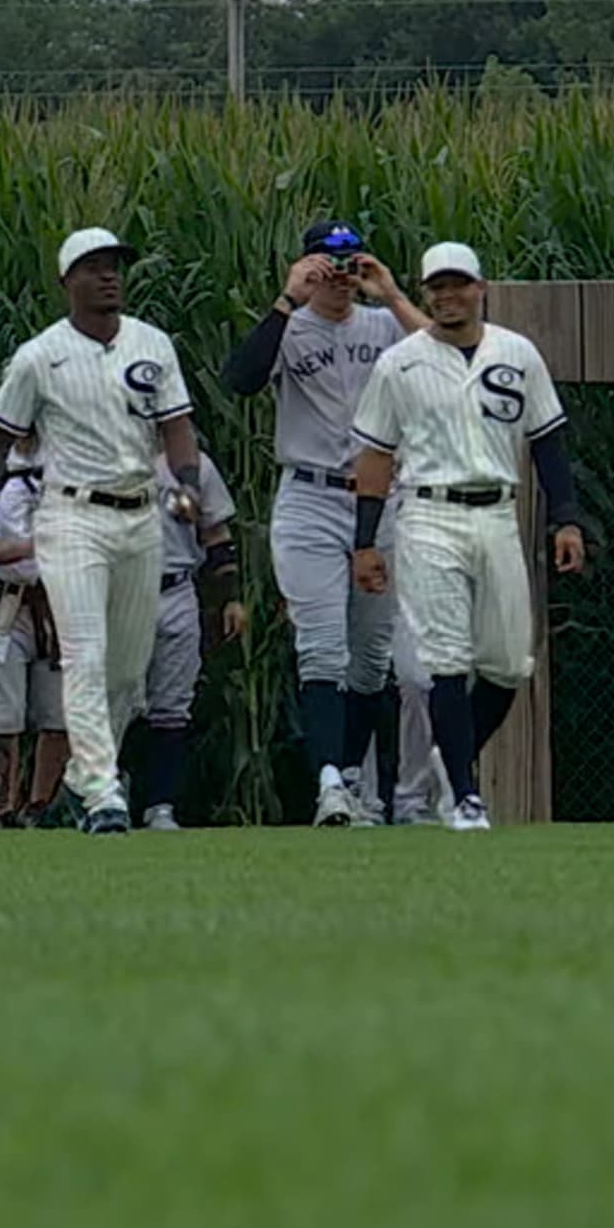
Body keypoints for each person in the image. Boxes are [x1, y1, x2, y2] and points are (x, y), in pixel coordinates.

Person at [0, 227, 206, 835]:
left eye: (114, 265)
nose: (108, 276)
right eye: (93, 267)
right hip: (71, 516)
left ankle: (75, 781)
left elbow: (176, 427)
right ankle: (103, 794)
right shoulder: (40, 356)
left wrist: (189, 483)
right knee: (85, 656)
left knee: (126, 673)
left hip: (141, 514)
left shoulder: (153, 343)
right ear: (67, 281)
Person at [348, 241, 586, 832]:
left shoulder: (516, 353)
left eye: (458, 284)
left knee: (508, 663)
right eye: (437, 287)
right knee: (445, 660)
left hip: (498, 512)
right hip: (429, 513)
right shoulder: (399, 363)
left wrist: (567, 518)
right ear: (426, 291)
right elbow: (374, 458)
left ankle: (448, 757)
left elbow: (547, 442)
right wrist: (365, 541)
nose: (448, 296)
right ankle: (465, 794)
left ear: (481, 288)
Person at [215, 219, 427, 826]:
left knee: (370, 657)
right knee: (323, 650)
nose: (338, 275)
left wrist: (388, 291)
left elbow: (451, 357)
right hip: (309, 496)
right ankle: (330, 783)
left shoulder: (384, 326)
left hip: (378, 501)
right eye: (325, 263)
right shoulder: (288, 328)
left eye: (347, 261)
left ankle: (358, 780)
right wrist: (288, 299)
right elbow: (240, 379)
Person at [135, 451, 247, 829]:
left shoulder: (194, 466)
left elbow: (216, 534)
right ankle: (108, 792)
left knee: (172, 704)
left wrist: (230, 596)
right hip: (121, 590)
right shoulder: (103, 454)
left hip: (177, 587)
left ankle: (160, 804)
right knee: (115, 697)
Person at [0, 441, 68, 826]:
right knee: (0, 716)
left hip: (59, 604)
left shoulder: (75, 455)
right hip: (4, 603)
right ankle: (4, 810)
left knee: (59, 715)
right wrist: (34, 546)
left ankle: (40, 808)